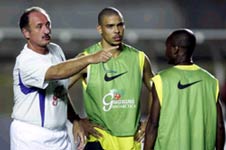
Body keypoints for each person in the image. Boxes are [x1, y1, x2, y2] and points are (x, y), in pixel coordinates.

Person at [11, 6, 117, 150]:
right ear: (26, 33)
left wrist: (75, 120)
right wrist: (90, 58)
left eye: (48, 24)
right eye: (39, 26)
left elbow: (60, 91)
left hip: (59, 135)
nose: (47, 30)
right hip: (31, 136)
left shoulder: (56, 50)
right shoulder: (25, 61)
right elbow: (56, 72)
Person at [69, 7, 154, 150]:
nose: (117, 30)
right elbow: (58, 89)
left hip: (131, 141)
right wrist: (76, 120)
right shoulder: (87, 58)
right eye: (110, 26)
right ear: (100, 29)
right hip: (99, 139)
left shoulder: (139, 58)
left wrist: (150, 120)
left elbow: (157, 90)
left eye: (120, 25)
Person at [144, 29, 225, 150]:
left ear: (176, 49)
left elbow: (153, 124)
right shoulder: (211, 81)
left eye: (167, 47)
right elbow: (219, 125)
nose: (165, 52)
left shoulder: (161, 80)